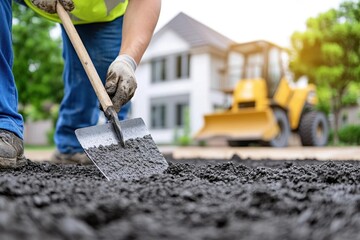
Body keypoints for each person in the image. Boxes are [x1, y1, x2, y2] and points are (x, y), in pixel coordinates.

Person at [0, 0, 161, 167]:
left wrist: (127, 60)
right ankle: (3, 125)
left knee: (105, 79)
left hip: (100, 12)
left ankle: (72, 146)